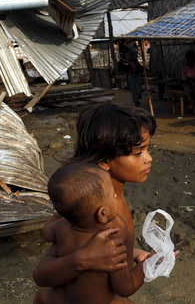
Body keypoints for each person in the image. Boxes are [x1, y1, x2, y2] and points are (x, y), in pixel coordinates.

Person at [33, 102, 161, 301]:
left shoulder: (110, 199)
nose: (149, 158)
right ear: (104, 161)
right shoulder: (99, 215)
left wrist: (130, 252)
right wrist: (83, 259)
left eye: (147, 149)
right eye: (138, 153)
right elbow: (42, 274)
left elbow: (52, 232)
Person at [35, 163, 148, 304]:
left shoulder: (60, 226)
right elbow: (125, 288)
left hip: (57, 299)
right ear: (102, 214)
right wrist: (147, 266)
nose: (115, 195)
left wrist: (65, 211)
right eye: (113, 194)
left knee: (44, 294)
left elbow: (47, 232)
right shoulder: (109, 247)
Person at [125, 41, 143, 106]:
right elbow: (127, 73)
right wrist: (127, 81)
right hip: (132, 77)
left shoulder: (138, 64)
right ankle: (136, 101)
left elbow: (140, 71)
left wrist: (142, 78)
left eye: (135, 56)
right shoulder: (130, 64)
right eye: (133, 56)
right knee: (133, 90)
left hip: (137, 76)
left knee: (138, 89)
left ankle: (138, 97)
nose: (134, 57)